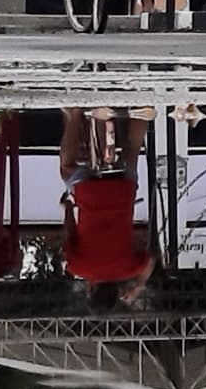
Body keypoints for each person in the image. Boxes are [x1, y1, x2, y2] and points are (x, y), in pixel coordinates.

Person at [59, 104, 154, 306]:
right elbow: (69, 232)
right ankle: (74, 114)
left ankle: (143, 111)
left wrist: (138, 285)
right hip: (88, 192)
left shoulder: (129, 269)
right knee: (66, 167)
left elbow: (151, 259)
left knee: (132, 151)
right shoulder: (78, 268)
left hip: (122, 191)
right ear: (91, 290)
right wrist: (67, 207)